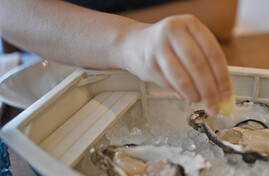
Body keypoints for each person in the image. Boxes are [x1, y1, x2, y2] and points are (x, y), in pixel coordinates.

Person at [0, 0, 238, 116]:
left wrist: (137, 37)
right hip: (52, 75)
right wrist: (124, 39)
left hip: (169, 67)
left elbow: (220, 11)